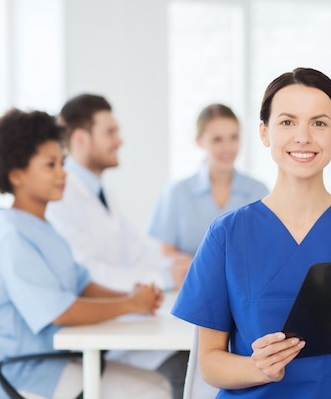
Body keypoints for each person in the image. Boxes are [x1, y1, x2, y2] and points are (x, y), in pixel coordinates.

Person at [171, 67, 331, 398]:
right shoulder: (227, 235)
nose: (303, 136)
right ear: (264, 133)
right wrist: (257, 367)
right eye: (287, 122)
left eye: (319, 123)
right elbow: (209, 363)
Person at [0, 109, 170, 399]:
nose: (63, 173)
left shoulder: (42, 226)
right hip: (16, 371)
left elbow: (82, 283)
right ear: (16, 175)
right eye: (51, 165)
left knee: (158, 384)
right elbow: (61, 310)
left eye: (62, 162)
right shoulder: (11, 233)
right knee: (153, 391)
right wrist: (129, 304)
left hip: (50, 359)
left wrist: (132, 297)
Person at [45, 94, 189, 399]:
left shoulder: (100, 192)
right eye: (110, 132)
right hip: (95, 337)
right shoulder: (61, 196)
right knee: (185, 367)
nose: (119, 141)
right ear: (82, 139)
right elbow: (87, 273)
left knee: (193, 360)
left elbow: (135, 249)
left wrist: (173, 264)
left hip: (119, 326)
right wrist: (165, 279)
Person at [147, 103, 269, 258]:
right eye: (217, 140)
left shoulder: (258, 191)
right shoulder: (176, 192)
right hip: (190, 281)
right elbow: (165, 255)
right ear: (199, 141)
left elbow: (266, 250)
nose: (228, 147)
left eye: (234, 137)